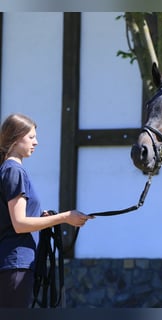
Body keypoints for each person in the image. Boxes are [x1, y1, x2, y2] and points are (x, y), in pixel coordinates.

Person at [0, 113, 93, 308]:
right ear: (16, 139)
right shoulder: (13, 170)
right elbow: (19, 223)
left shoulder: (10, 169)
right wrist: (64, 217)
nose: (36, 142)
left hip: (16, 262)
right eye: (31, 137)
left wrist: (42, 218)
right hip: (16, 262)